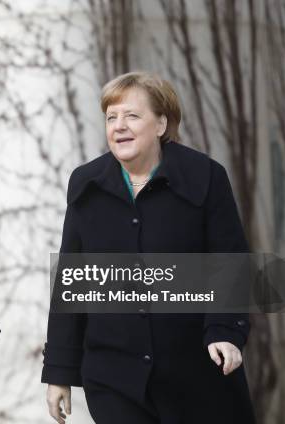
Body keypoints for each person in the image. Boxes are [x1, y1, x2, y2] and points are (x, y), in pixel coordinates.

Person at [42, 72, 255, 423]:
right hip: (114, 378)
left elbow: (230, 262)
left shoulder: (205, 177)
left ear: (161, 124)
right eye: (112, 117)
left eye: (132, 116)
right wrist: (59, 372)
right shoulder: (86, 184)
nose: (119, 126)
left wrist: (225, 332)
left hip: (196, 375)